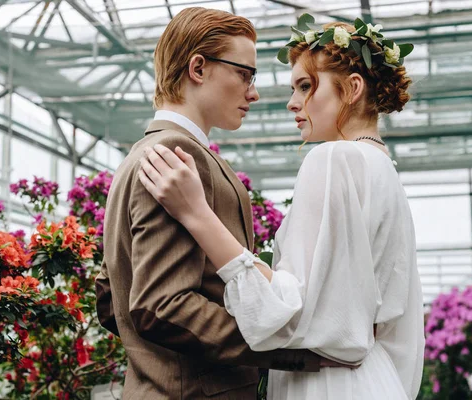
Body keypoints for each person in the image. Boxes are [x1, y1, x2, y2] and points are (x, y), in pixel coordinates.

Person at [138, 17, 425, 400]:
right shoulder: (383, 171)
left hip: (325, 384)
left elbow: (285, 310)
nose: (292, 103)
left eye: (306, 86)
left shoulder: (334, 160)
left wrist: (196, 213)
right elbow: (396, 329)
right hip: (372, 379)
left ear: (353, 88)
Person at [95, 8, 336, 400]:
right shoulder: (177, 154)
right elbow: (162, 305)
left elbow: (111, 299)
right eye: (245, 73)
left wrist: (154, 364)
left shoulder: (138, 155)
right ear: (198, 68)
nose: (253, 92)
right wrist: (290, 348)